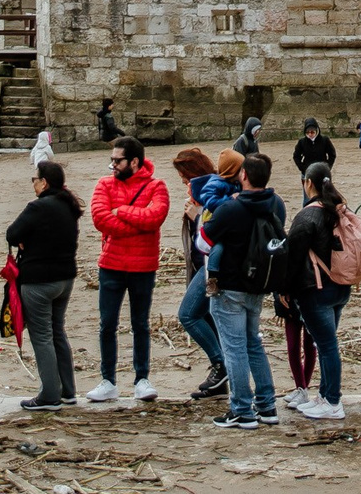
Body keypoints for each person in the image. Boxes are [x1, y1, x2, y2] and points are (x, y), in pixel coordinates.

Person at [202, 151, 286, 429]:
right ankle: (266, 405)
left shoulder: (231, 207)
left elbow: (203, 242)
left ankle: (241, 409)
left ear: (244, 176)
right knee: (253, 344)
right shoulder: (274, 204)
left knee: (234, 349)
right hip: (258, 285)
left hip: (230, 286)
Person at [87, 134, 168, 402]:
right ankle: (108, 379)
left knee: (140, 324)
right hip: (111, 264)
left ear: (134, 161)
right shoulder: (103, 184)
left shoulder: (157, 186)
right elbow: (100, 219)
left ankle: (141, 378)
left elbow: (155, 218)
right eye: (111, 160)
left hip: (143, 266)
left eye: (117, 161)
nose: (112, 166)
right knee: (107, 324)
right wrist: (134, 220)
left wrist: (120, 211)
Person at [8, 159, 83, 412]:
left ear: (44, 182)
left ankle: (49, 395)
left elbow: (12, 233)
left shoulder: (38, 206)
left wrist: (24, 241)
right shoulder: (69, 206)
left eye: (34, 179)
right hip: (66, 278)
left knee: (41, 337)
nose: (33, 183)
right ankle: (68, 391)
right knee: (57, 331)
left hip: (39, 280)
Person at [279, 160, 351, 420]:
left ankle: (332, 401)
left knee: (327, 346)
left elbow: (292, 257)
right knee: (327, 344)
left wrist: (283, 290)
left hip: (317, 289)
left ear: (307, 183)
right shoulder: (339, 209)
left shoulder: (307, 215)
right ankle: (325, 395)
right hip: (341, 286)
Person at [173, 148, 233, 400]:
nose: (185, 184)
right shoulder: (208, 189)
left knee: (187, 314)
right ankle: (221, 381)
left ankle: (221, 366)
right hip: (204, 264)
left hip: (213, 265)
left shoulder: (212, 190)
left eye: (186, 179)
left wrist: (196, 216)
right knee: (209, 319)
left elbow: (216, 228)